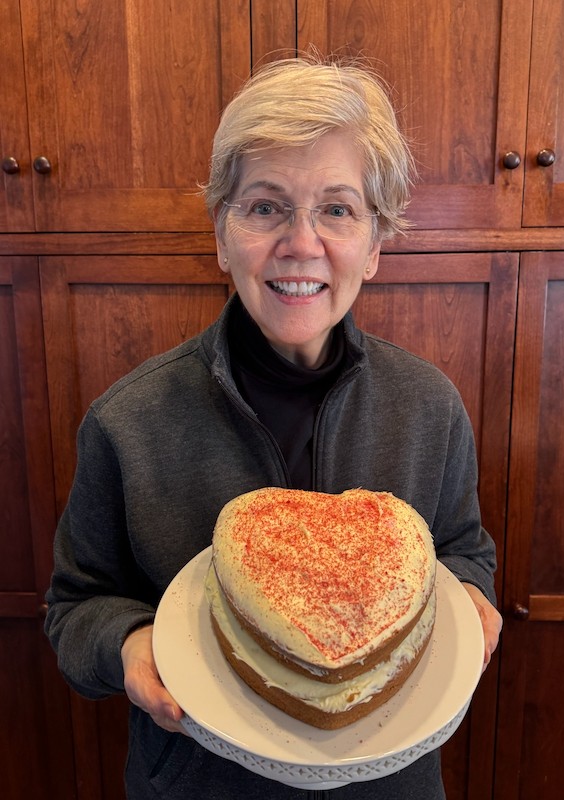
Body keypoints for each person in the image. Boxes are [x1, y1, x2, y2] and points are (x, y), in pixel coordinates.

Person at [45, 55, 502, 800]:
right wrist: (123, 644)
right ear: (222, 234)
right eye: (265, 207)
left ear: (377, 242)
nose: (301, 242)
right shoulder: (127, 421)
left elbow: (460, 549)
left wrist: (471, 595)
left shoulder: (429, 406)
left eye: (338, 208)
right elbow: (74, 605)